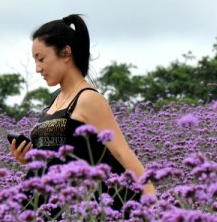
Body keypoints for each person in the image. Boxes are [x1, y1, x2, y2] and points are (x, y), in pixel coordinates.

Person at [10, 14, 156, 211]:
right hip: (47, 204)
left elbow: (121, 152)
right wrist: (28, 159)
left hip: (81, 208)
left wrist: (151, 201)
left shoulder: (88, 99)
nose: (38, 68)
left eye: (41, 59)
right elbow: (60, 154)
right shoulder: (55, 99)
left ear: (66, 53)